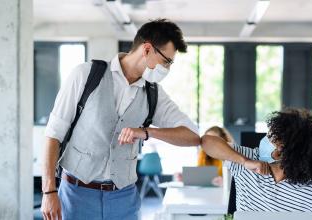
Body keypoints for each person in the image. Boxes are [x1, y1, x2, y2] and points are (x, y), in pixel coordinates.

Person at [41, 19, 200, 220]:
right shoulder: (85, 75)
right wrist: (49, 191)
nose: (167, 68)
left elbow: (193, 135)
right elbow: (53, 135)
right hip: (76, 194)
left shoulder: (154, 94)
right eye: (166, 61)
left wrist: (147, 132)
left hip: (124, 199)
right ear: (147, 49)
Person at [201, 108, 312, 220]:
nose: (265, 139)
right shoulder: (248, 158)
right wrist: (245, 162)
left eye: (270, 136)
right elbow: (207, 141)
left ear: (279, 151)